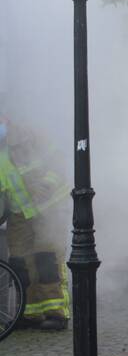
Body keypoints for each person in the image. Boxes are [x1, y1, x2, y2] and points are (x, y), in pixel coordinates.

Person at [0, 120, 71, 331]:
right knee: (21, 263)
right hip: (18, 214)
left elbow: (57, 163)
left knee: (47, 259)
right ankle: (29, 313)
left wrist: (46, 185)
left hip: (47, 208)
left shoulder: (31, 135)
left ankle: (57, 314)